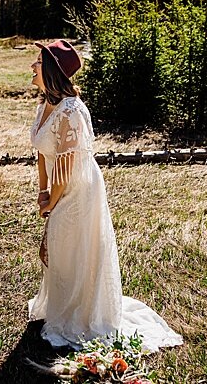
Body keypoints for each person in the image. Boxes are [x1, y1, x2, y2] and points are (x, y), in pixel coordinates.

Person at [26, 39, 184, 351]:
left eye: (37, 62)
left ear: (51, 70)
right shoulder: (45, 104)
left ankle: (81, 313)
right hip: (58, 184)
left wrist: (52, 203)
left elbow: (67, 167)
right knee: (60, 246)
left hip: (77, 188)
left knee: (68, 244)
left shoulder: (71, 111)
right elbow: (43, 153)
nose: (32, 67)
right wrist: (42, 191)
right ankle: (63, 303)